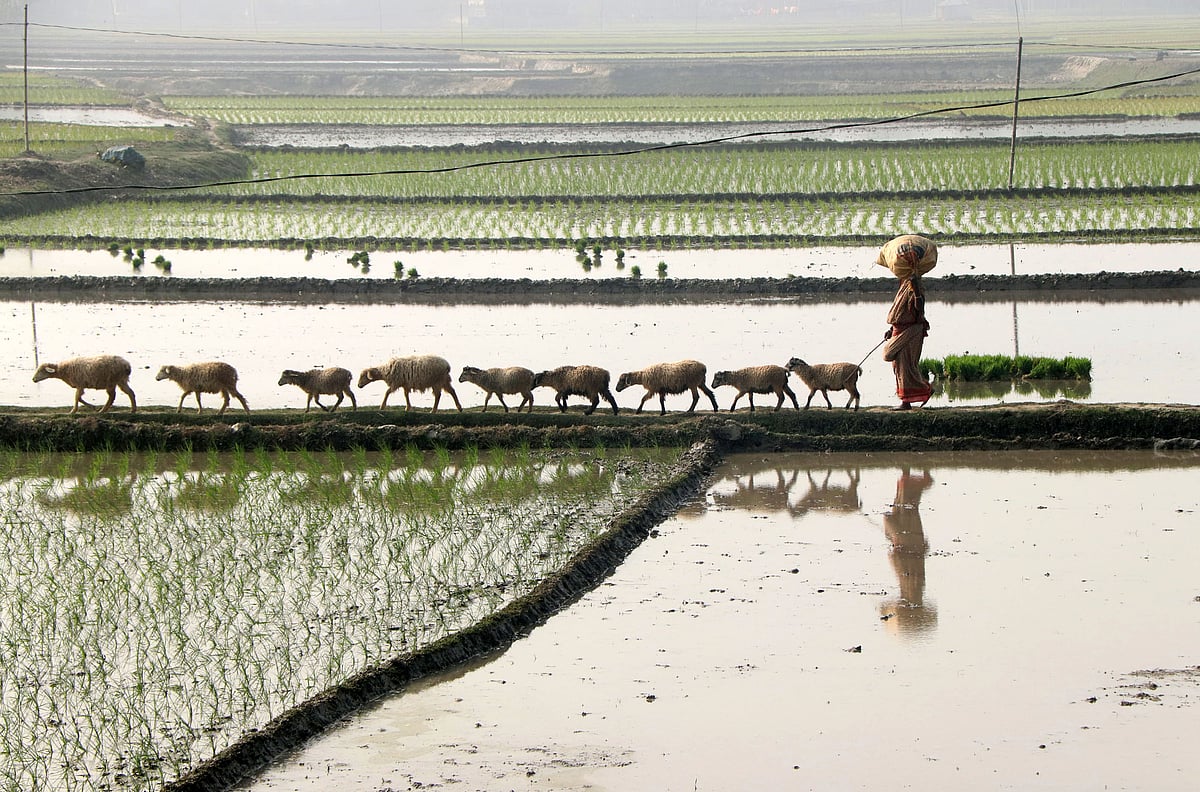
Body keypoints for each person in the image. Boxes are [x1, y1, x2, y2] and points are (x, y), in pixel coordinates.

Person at [877, 235, 937, 410]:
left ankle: (911, 399)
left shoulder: (916, 285)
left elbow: (919, 308)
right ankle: (910, 397)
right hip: (899, 330)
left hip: (911, 331)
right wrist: (891, 329)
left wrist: (916, 290)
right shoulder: (904, 285)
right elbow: (901, 311)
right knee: (897, 365)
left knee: (906, 366)